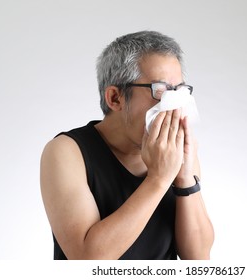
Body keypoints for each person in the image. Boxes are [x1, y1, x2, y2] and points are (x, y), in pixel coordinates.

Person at [40, 31, 214, 260]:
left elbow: (198, 258)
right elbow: (87, 260)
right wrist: (158, 180)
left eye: (179, 91)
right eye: (160, 90)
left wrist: (184, 180)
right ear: (115, 98)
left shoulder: (175, 151)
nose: (173, 105)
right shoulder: (66, 152)